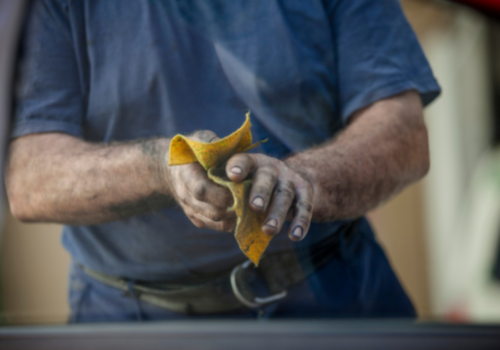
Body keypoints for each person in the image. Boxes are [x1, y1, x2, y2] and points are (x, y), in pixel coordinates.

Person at [5, 0, 440, 322]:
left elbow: (402, 134)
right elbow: (28, 177)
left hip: (335, 294)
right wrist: (164, 166)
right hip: (129, 316)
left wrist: (302, 181)